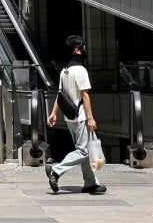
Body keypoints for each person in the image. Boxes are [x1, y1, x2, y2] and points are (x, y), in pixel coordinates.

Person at [46, 34, 107, 195]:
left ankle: (90, 183)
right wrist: (91, 118)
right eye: (82, 47)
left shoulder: (64, 71)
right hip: (80, 117)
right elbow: (85, 95)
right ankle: (56, 171)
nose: (85, 49)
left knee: (83, 149)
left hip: (69, 118)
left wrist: (53, 114)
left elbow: (60, 95)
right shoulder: (80, 70)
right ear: (77, 51)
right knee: (83, 151)